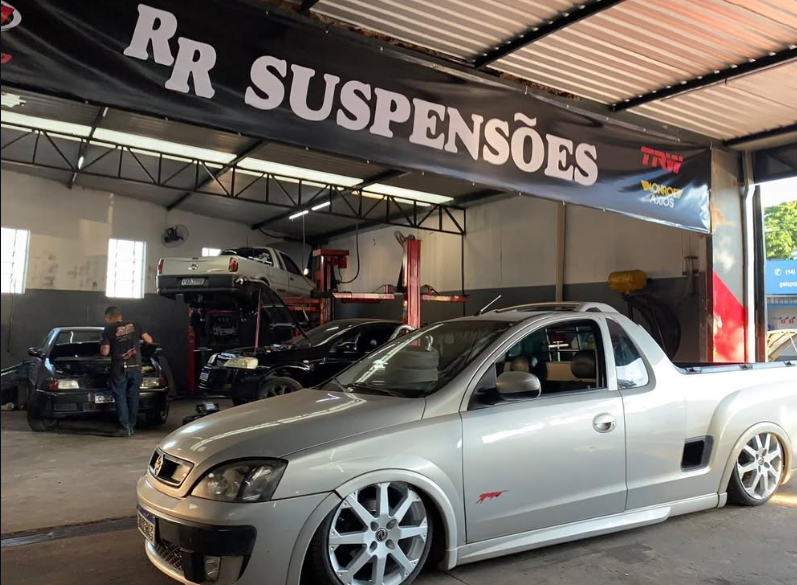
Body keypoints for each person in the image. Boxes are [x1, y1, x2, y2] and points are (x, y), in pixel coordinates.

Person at [100, 306, 153, 437]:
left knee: (120, 396)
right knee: (133, 397)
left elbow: (105, 352)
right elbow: (149, 340)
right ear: (120, 316)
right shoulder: (135, 325)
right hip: (136, 366)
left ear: (108, 318)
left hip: (119, 368)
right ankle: (132, 426)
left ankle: (125, 427)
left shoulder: (109, 329)